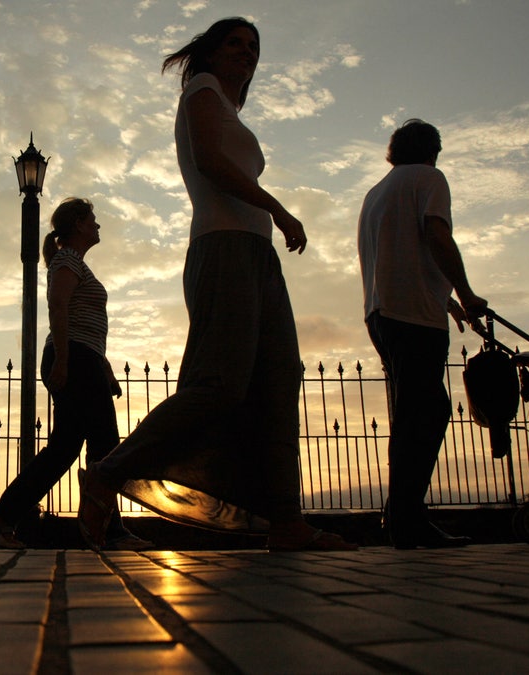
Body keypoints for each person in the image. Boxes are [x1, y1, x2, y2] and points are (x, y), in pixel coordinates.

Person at [77, 17, 355, 552]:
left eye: (254, 47)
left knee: (278, 382)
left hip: (258, 257)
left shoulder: (229, 108)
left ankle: (286, 521)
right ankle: (109, 472)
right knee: (220, 385)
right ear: (209, 51)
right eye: (235, 42)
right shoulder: (200, 90)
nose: (247, 52)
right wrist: (277, 208)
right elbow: (209, 161)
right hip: (224, 247)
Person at [0, 197, 150, 551]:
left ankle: (1, 518)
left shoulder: (73, 262)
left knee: (67, 448)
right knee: (103, 446)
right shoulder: (67, 260)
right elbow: (57, 306)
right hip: (72, 358)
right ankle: (109, 531)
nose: (98, 226)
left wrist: (104, 369)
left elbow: (84, 325)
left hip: (82, 359)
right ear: (78, 225)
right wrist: (63, 361)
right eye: (93, 220)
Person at [357, 119, 488, 549]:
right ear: (433, 151)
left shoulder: (377, 193)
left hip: (381, 313)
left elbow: (400, 254)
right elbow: (435, 235)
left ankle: (402, 517)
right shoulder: (431, 178)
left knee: (411, 414)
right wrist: (466, 293)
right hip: (413, 316)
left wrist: (445, 297)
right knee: (428, 413)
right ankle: (406, 518)